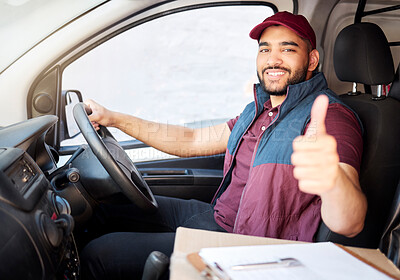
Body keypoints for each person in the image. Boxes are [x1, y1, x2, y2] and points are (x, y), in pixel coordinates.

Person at [80, 11, 367, 279]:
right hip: (218, 219)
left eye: (287, 49)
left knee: (99, 254)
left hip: (248, 248)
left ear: (312, 60)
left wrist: (332, 180)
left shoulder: (330, 116)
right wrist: (113, 118)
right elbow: (190, 140)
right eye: (265, 49)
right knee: (101, 208)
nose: (273, 59)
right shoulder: (258, 109)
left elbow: (348, 222)